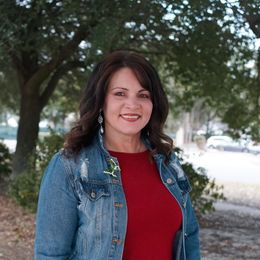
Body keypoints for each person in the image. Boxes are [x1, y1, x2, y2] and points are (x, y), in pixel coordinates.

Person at [34, 50, 200, 260]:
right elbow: (50, 254)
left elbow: (189, 238)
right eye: (120, 93)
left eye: (143, 95)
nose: (133, 104)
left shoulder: (168, 163)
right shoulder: (69, 166)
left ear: (153, 103)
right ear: (101, 101)